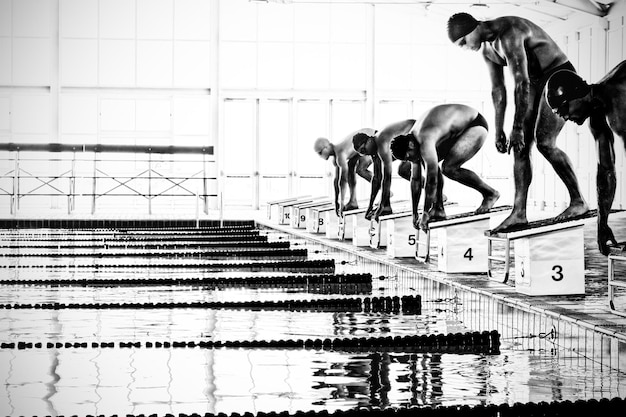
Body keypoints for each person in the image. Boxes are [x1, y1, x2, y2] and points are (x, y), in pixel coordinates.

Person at [447, 13, 589, 232]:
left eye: (464, 42)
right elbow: (498, 91)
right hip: (534, 82)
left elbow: (520, 82)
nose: (465, 48)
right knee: (519, 148)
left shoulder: (509, 32)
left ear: (473, 29)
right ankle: (519, 213)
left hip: (559, 74)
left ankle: (578, 201)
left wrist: (516, 128)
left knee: (544, 142)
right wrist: (498, 129)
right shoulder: (487, 50)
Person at [545, 61, 626, 255]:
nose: (565, 118)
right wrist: (602, 222)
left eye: (564, 110)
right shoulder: (597, 114)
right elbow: (606, 170)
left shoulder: (616, 101)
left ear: (578, 95)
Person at [389, 104, 500, 231]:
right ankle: (438, 209)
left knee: (449, 168)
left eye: (410, 158)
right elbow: (416, 181)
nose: (412, 161)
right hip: (454, 130)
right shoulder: (413, 142)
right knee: (429, 164)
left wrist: (425, 213)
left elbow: (431, 180)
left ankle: (490, 193)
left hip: (474, 124)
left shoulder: (425, 139)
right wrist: (414, 213)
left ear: (410, 146)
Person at [352, 123, 413, 221]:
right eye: (362, 153)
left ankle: (436, 196)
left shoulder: (381, 142)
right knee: (403, 171)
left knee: (404, 170)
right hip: (405, 143)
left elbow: (387, 176)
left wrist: (381, 206)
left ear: (369, 140)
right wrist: (370, 206)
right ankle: (386, 205)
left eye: (364, 149)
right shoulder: (373, 151)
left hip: (415, 132)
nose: (366, 153)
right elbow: (376, 179)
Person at [313, 130, 374, 217]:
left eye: (320, 153)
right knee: (351, 165)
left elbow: (343, 180)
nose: (320, 156)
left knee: (360, 170)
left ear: (326, 147)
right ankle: (353, 202)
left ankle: (385, 191)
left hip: (370, 139)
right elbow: (337, 180)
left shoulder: (340, 153)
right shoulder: (336, 157)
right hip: (362, 142)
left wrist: (341, 203)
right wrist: (336, 201)